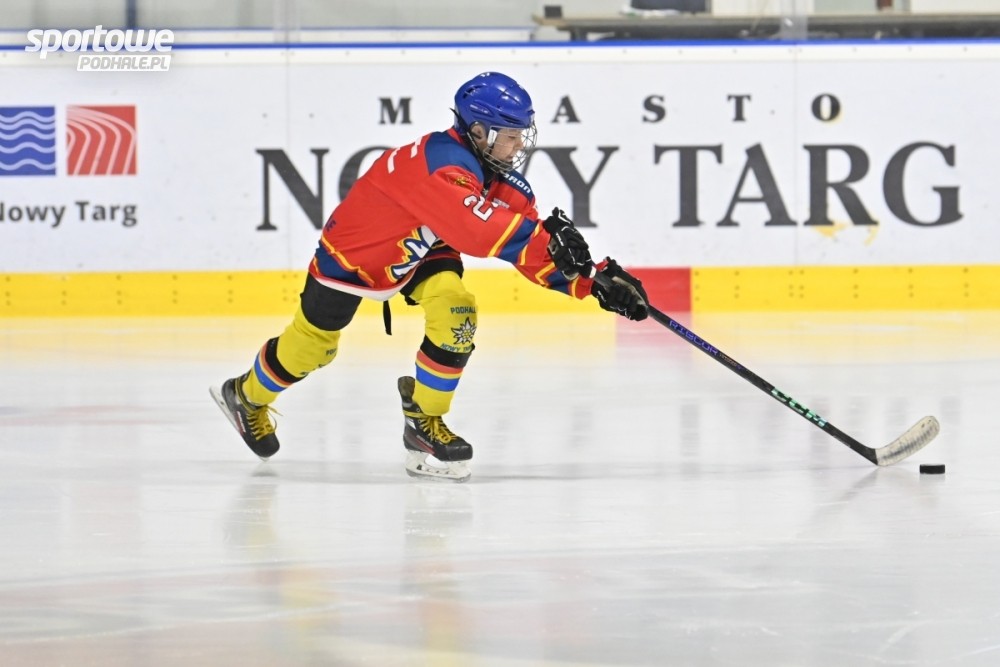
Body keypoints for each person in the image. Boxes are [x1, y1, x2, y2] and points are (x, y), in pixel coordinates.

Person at [210, 71, 649, 482]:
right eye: (511, 136)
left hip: (423, 245)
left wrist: (595, 282)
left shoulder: (491, 172)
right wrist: (543, 241)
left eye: (521, 135)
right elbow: (481, 232)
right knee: (313, 348)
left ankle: (424, 421)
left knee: (456, 311)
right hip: (357, 253)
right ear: (479, 131)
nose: (519, 146)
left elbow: (532, 247)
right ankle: (245, 395)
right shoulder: (439, 165)